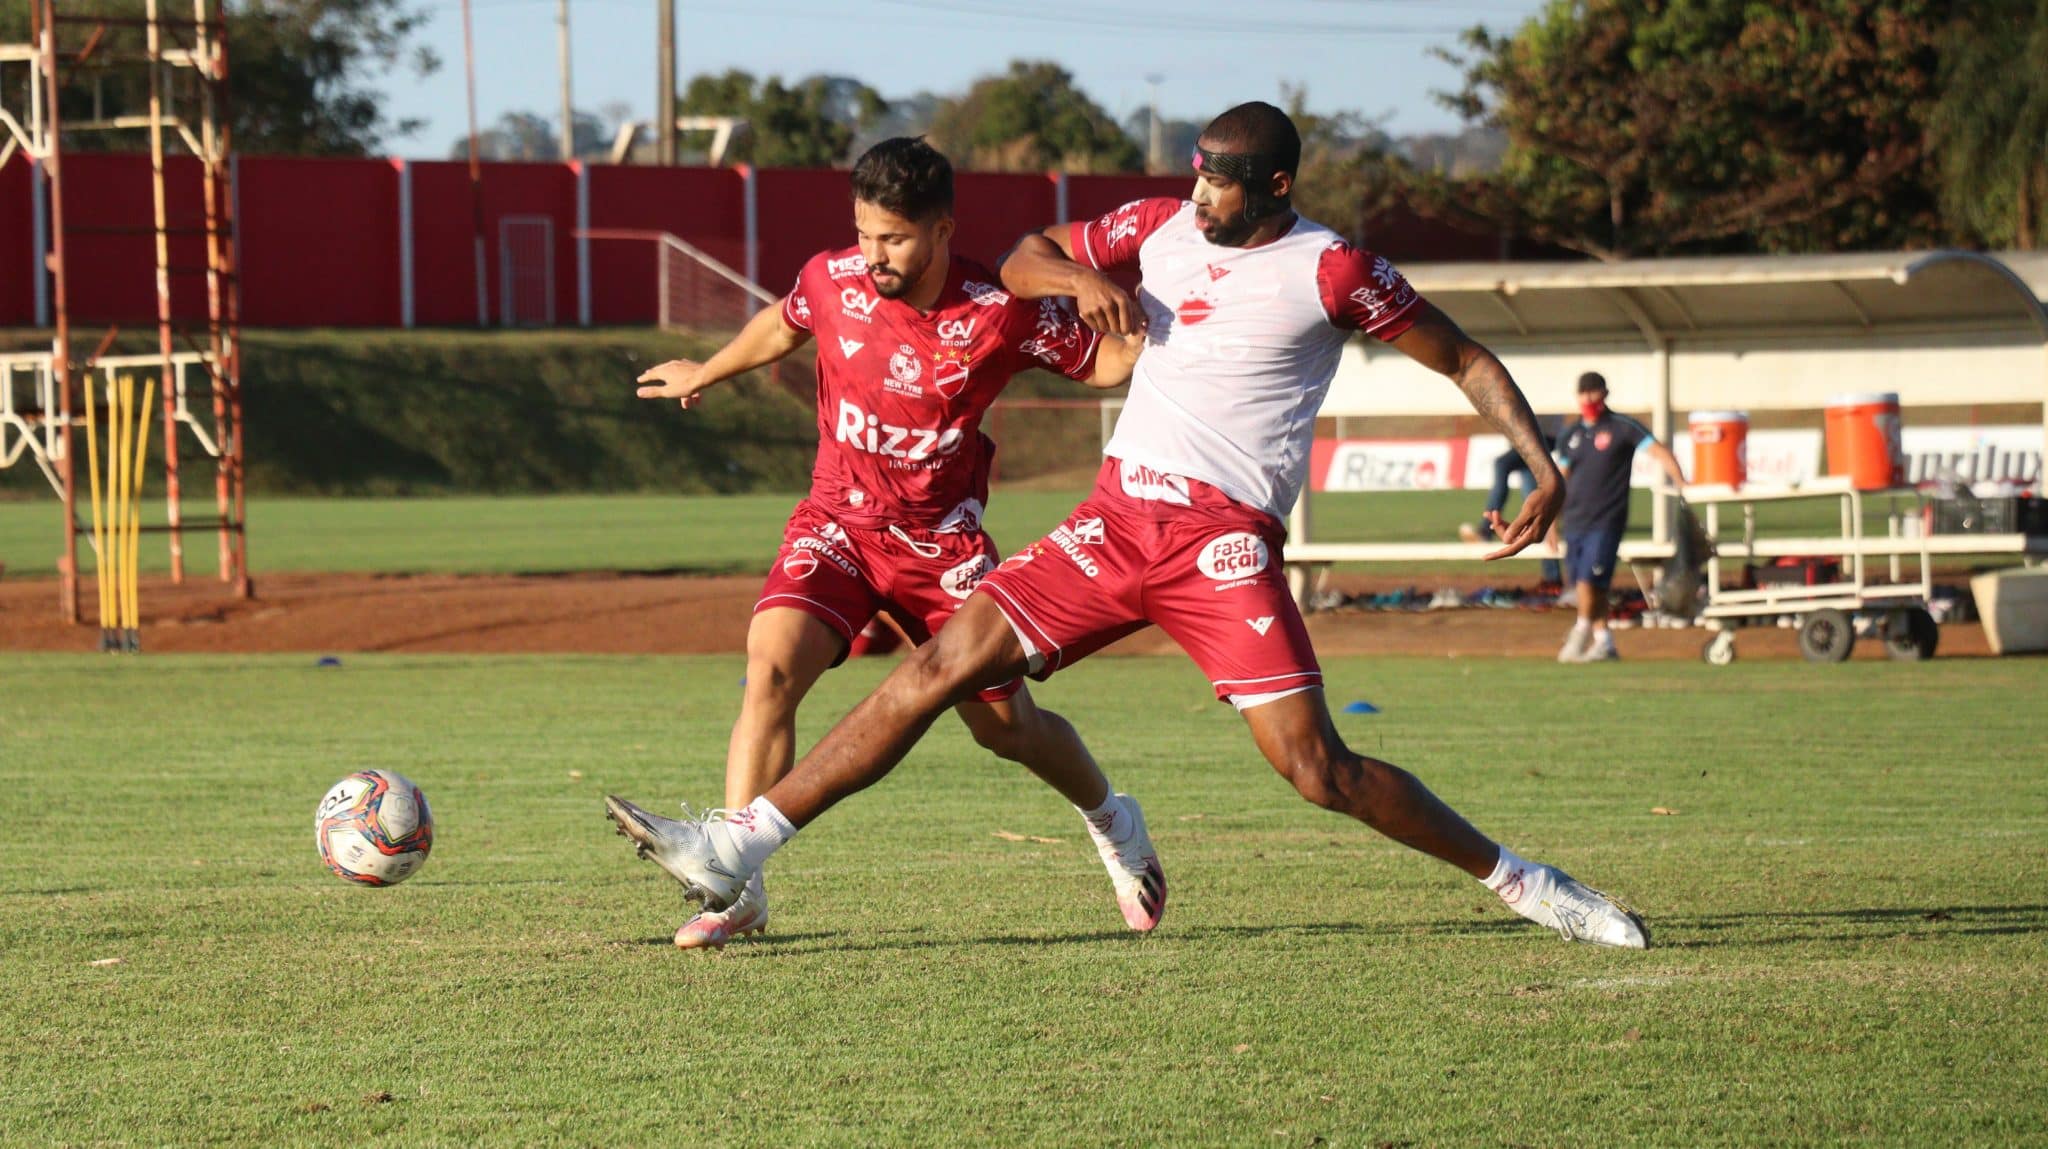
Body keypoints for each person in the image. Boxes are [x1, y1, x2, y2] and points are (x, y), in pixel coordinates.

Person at [609, 104, 1648, 949]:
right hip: (1110, 519)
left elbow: (1461, 355)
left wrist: (1542, 456)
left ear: (1275, 187)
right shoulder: (1156, 224)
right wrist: (1081, 278)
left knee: (1315, 770)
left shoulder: (1332, 271)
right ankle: (737, 847)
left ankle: (1526, 884)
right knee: (932, 674)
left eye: (1219, 181)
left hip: (1219, 541)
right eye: (1194, 172)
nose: (1196, 194)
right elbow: (1029, 254)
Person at [607, 138, 1165, 948]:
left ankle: (1113, 819)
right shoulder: (832, 278)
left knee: (1008, 730)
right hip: (836, 523)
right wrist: (708, 371)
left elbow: (1110, 363)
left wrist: (1140, 321)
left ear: (942, 230)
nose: (874, 255)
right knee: (769, 667)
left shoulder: (997, 310)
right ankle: (736, 886)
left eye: (894, 239)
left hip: (942, 550)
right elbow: (784, 322)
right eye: (865, 234)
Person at [1553, 372, 1687, 663]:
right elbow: (1559, 481)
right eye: (1583, 393)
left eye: (1594, 393)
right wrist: (1549, 521)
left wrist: (1681, 483)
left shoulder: (1621, 427)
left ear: (1604, 394)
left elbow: (1659, 452)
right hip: (1574, 520)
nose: (1588, 399)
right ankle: (1604, 642)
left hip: (1606, 520)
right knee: (1588, 585)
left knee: (1589, 581)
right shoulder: (1570, 435)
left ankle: (1580, 632)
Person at [1459, 417, 1564, 584]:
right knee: (1537, 513)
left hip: (1539, 438)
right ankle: (1552, 578)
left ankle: (1486, 529)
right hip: (1528, 438)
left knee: (1502, 464)